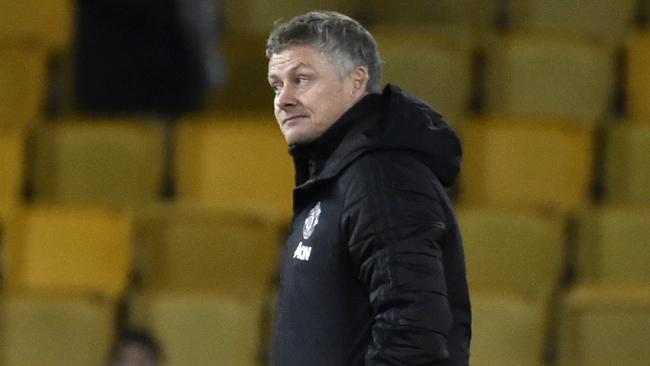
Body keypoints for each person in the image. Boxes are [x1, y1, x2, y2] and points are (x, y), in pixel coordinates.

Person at [266, 11, 471, 366]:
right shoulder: (340, 176)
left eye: (301, 79)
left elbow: (414, 333)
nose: (283, 99)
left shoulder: (381, 178)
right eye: (276, 85)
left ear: (357, 81)